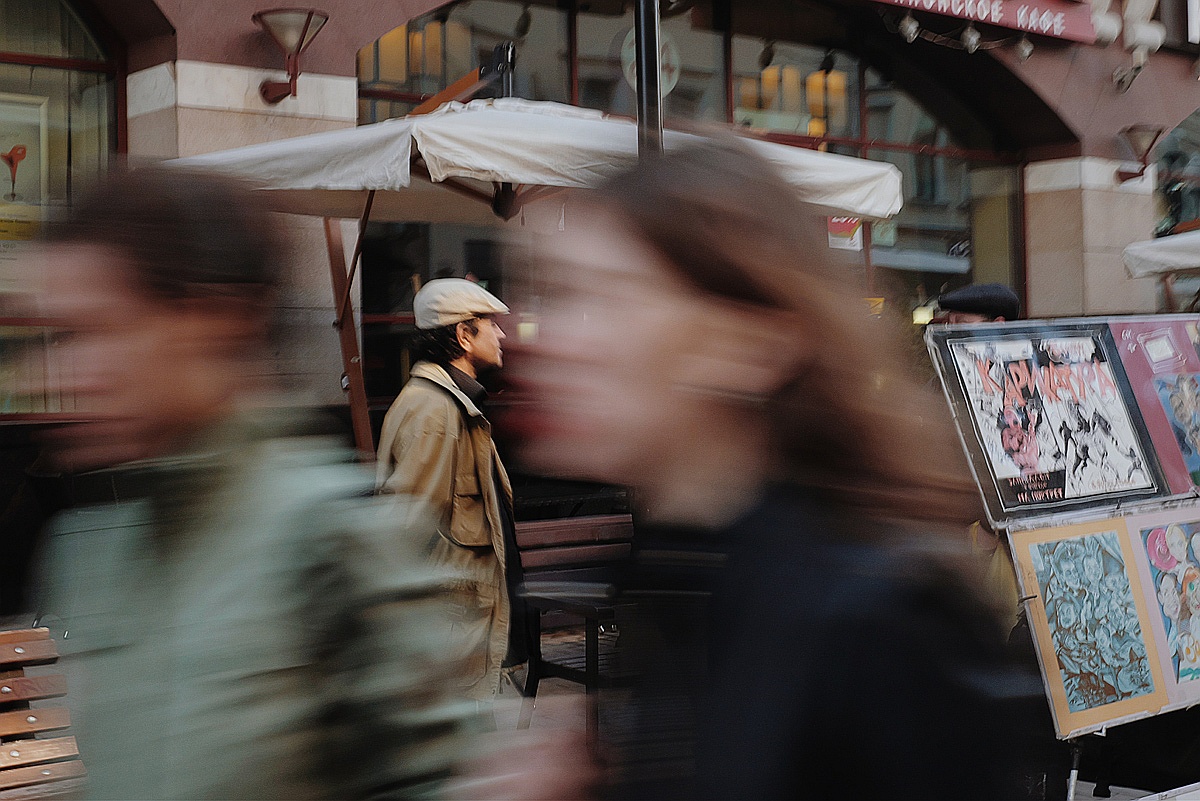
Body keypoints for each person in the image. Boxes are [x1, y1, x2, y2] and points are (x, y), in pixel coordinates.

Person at [512, 140, 1044, 799]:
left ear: (747, 343)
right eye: (554, 294)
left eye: (607, 298)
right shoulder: (675, 588)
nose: (548, 338)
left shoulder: (883, 627)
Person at [31, 167, 470, 800]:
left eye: (98, 330)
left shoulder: (329, 536)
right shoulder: (87, 546)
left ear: (214, 320)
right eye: (53, 335)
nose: (65, 369)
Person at [375, 278, 523, 706]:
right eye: (491, 324)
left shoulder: (454, 404)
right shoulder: (436, 411)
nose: (501, 334)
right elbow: (408, 531)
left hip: (460, 624)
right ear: (463, 334)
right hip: (449, 630)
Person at [936, 282, 1021, 323]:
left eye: (961, 324)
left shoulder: (1023, 356)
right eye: (948, 324)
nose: (951, 332)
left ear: (997, 324)